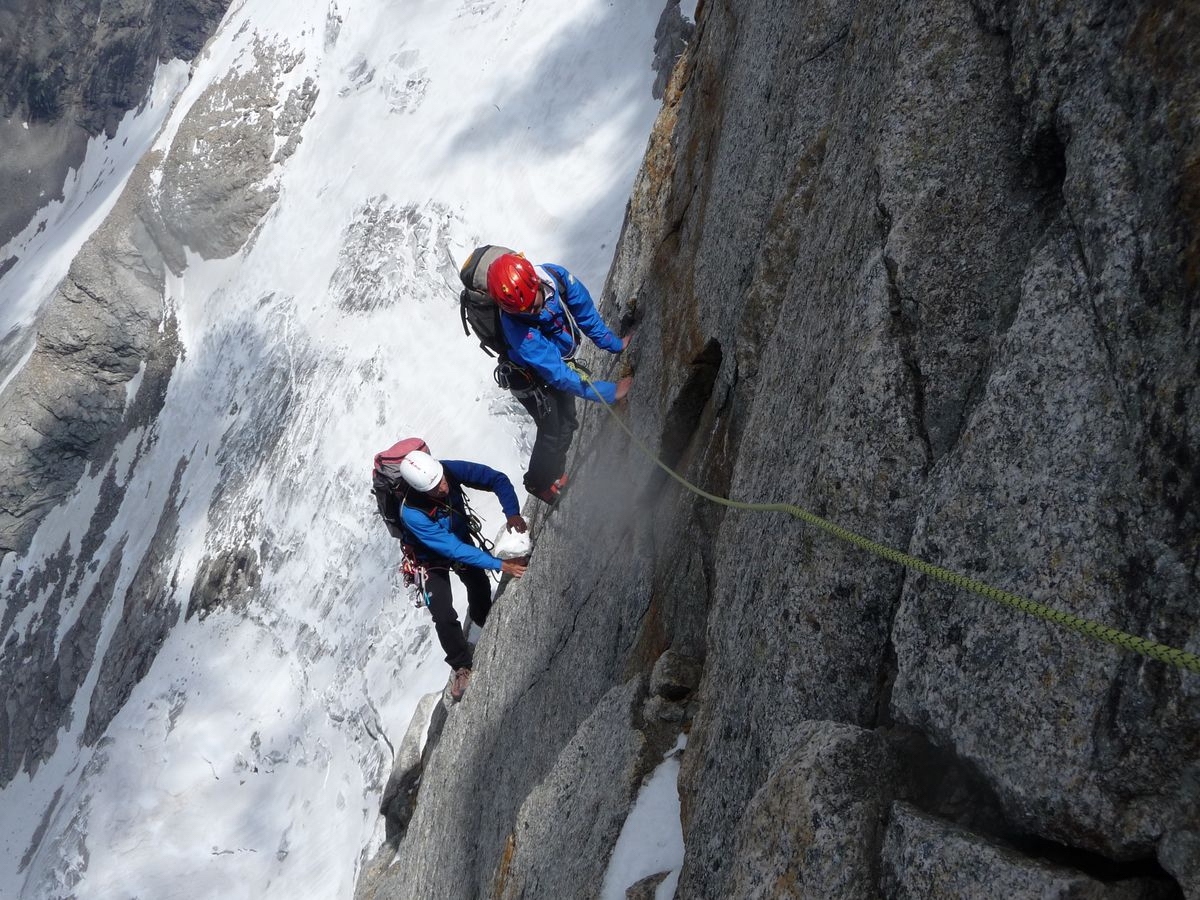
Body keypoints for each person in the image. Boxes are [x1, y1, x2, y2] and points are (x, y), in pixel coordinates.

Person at [486, 252, 633, 503]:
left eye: (535, 303)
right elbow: (558, 375)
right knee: (553, 430)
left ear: (536, 281)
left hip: (552, 364)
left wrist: (614, 344)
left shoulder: (556, 277)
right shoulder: (516, 326)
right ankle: (537, 483)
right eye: (527, 311)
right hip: (528, 379)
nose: (535, 311)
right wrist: (610, 392)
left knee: (568, 422)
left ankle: (554, 473)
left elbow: (586, 315)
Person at [397, 450, 528, 701]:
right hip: (428, 561)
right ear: (421, 491)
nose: (444, 487)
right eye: (436, 488)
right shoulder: (412, 513)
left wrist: (511, 512)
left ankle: (484, 621)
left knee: (478, 585)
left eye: (443, 480)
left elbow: (495, 479)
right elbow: (453, 549)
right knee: (443, 613)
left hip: (456, 539)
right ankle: (461, 666)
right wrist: (501, 565)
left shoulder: (448, 470)